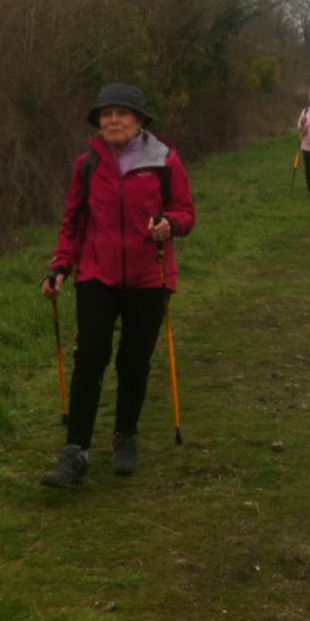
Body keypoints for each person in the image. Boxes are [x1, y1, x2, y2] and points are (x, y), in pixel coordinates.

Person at [41, 83, 196, 488]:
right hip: (97, 274)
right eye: (105, 114)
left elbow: (186, 212)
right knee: (90, 357)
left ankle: (126, 436)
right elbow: (74, 223)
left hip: (150, 276)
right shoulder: (87, 164)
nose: (112, 120)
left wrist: (171, 225)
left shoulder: (164, 161)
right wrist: (60, 266)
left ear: (140, 121)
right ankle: (75, 451)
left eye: (121, 113)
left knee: (133, 361)